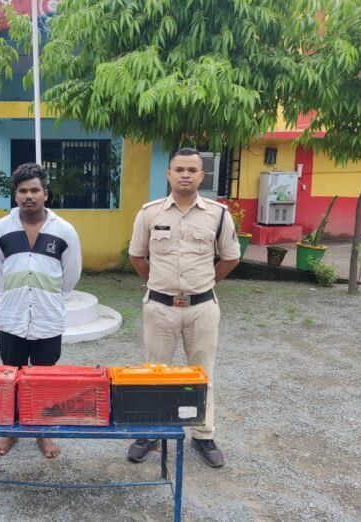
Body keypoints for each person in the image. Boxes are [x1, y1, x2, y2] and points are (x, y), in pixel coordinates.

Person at [126, 147, 240, 468]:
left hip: (202, 307)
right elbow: (137, 255)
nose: (185, 175)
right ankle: (150, 431)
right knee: (154, 372)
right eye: (179, 170)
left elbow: (230, 257)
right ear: (169, 174)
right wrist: (157, 284)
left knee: (202, 373)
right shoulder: (150, 213)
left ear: (202, 176)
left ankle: (203, 435)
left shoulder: (218, 214)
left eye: (192, 170)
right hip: (159, 307)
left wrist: (206, 283)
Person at [0, 162, 82, 459]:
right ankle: (12, 430)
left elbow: (71, 274)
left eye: (34, 190)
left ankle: (42, 432)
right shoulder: (1, 229)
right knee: (12, 374)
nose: (28, 196)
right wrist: (13, 299)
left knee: (43, 377)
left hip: (47, 318)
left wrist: (51, 299)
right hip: (12, 317)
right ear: (15, 195)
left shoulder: (64, 230)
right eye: (22, 191)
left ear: (45, 193)